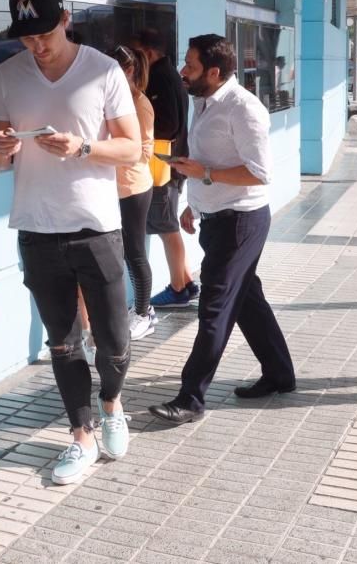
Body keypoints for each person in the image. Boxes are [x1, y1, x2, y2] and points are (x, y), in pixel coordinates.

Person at [0, 0, 141, 485]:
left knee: (114, 338)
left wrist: (81, 148)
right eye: (27, 38)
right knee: (63, 342)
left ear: (66, 18)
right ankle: (82, 433)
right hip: (36, 226)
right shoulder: (8, 74)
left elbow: (133, 149)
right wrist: (0, 148)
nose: (37, 46)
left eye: (45, 33)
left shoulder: (103, 70)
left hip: (95, 226)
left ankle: (113, 403)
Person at [148, 34, 295, 425]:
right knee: (248, 301)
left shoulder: (243, 109)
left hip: (241, 222)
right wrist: (192, 204)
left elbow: (260, 173)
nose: (182, 71)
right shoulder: (204, 100)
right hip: (216, 218)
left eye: (190, 66)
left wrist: (206, 175)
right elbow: (203, 161)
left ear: (214, 72)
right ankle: (280, 375)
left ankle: (190, 398)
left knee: (215, 307)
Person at [79, 45, 157, 349]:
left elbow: (144, 150)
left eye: (115, 69)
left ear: (129, 71)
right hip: (110, 189)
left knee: (135, 253)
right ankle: (131, 310)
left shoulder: (139, 103)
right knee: (116, 254)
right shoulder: (109, 99)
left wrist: (112, 151)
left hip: (133, 188)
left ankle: (143, 312)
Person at [133, 28, 198, 308]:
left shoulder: (161, 78)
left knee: (167, 226)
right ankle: (185, 280)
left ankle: (178, 288)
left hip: (163, 167)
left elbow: (168, 125)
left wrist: (136, 132)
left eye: (136, 56)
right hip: (171, 164)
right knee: (167, 223)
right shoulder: (167, 76)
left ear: (148, 53)